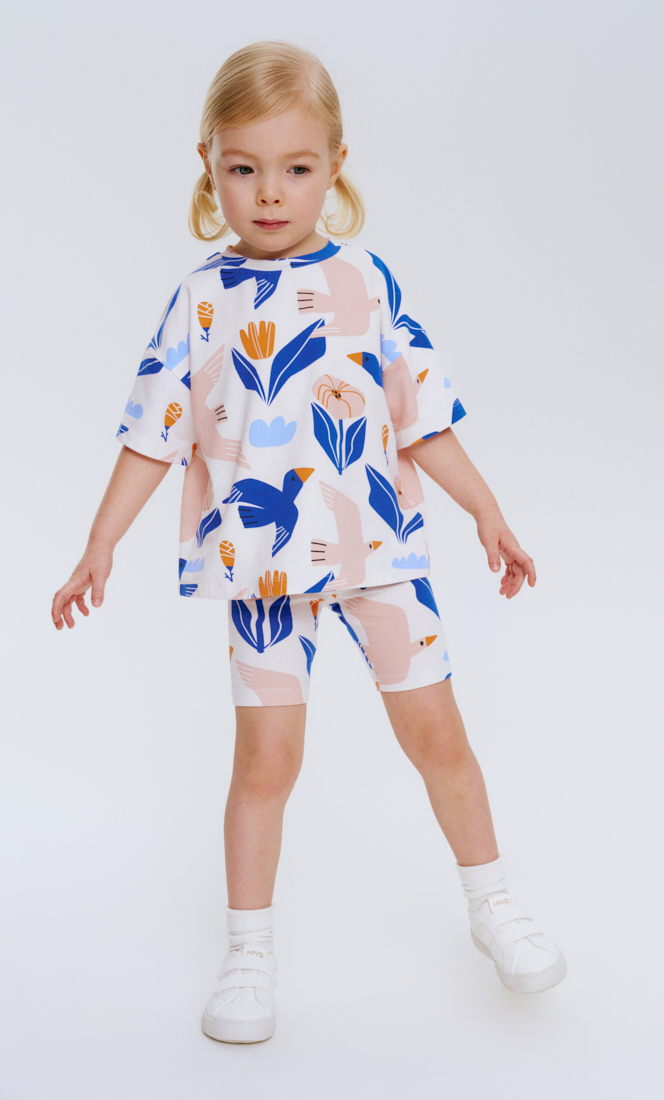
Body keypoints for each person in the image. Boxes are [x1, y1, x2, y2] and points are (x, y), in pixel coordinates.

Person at [51, 40, 566, 1045]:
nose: (269, 193)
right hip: (262, 576)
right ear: (209, 164)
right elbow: (151, 432)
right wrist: (98, 543)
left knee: (438, 737)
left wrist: (487, 510)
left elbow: (424, 418)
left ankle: (494, 902)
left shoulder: (366, 281)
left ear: (335, 164)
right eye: (243, 168)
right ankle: (248, 953)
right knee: (265, 761)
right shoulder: (199, 302)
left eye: (295, 167)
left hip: (383, 559)